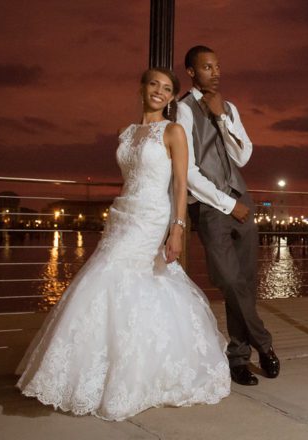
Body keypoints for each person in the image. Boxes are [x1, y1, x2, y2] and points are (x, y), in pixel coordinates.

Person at [16, 68, 230, 421]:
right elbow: (130, 177)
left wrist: (177, 228)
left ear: (171, 97)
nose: (159, 91)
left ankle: (127, 375)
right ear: (142, 88)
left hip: (151, 216)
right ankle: (107, 368)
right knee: (125, 282)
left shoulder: (173, 131)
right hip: (123, 212)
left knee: (105, 274)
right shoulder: (125, 132)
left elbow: (180, 184)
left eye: (167, 88)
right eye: (153, 84)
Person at [177, 45, 279, 386]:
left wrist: (222, 117)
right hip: (210, 206)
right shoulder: (182, 110)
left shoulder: (229, 107)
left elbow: (244, 155)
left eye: (218, 66)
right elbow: (188, 170)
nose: (216, 72)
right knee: (229, 281)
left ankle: (238, 357)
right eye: (207, 67)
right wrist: (227, 204)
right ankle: (263, 343)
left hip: (242, 200)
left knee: (245, 283)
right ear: (191, 72)